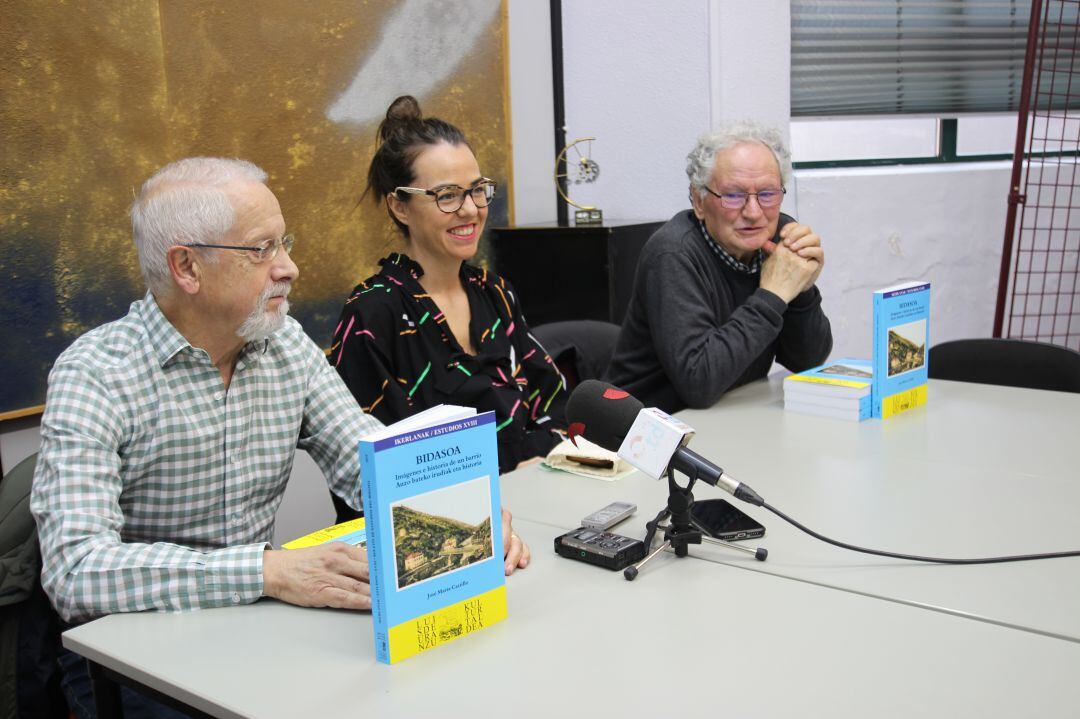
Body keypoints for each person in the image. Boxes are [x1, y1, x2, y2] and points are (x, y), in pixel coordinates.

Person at [29, 157, 530, 717]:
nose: (289, 268)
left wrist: (464, 508)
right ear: (187, 268)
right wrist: (267, 571)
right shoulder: (95, 373)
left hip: (258, 626)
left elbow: (368, 459)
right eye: (261, 249)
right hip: (132, 654)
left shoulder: (283, 345)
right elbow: (76, 572)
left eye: (284, 243)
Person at [330, 96, 567, 515]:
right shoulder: (372, 315)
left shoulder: (494, 294)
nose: (471, 210)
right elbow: (378, 473)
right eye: (447, 196)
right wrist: (501, 487)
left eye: (478, 191)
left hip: (535, 512)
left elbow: (550, 409)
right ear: (399, 205)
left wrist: (537, 466)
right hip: (444, 541)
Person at [605, 121, 832, 413]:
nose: (753, 212)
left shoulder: (780, 236)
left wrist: (801, 287)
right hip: (645, 434)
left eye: (767, 194)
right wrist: (773, 294)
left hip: (731, 416)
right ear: (699, 201)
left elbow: (808, 361)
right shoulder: (673, 254)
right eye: (733, 195)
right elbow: (699, 383)